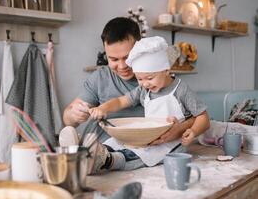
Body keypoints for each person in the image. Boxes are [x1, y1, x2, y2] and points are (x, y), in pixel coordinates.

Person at [62, 17, 195, 145]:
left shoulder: (159, 79)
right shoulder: (99, 78)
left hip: (140, 147)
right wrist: (74, 115)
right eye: (113, 59)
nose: (122, 66)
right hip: (98, 144)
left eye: (127, 58)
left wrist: (179, 129)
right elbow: (68, 119)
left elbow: (197, 117)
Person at [87, 36, 210, 170]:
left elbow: (203, 117)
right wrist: (104, 108)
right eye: (139, 79)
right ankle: (89, 153)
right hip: (147, 138)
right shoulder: (143, 90)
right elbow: (121, 101)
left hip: (171, 145)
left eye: (150, 78)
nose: (145, 83)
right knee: (117, 141)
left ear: (167, 70)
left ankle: (108, 160)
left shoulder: (181, 90)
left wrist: (192, 131)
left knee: (145, 154)